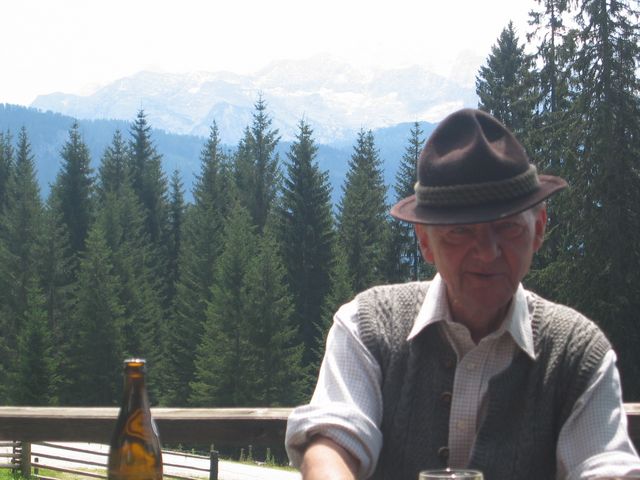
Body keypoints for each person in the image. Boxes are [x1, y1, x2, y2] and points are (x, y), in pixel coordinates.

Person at [284, 108, 640, 480]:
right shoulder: (368, 325)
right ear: (425, 241)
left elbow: (605, 465)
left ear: (538, 229)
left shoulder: (577, 352)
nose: (487, 251)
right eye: (460, 231)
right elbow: (333, 441)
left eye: (507, 228)